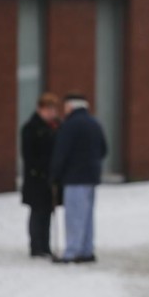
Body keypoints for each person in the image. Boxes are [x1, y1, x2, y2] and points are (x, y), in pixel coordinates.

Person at [50, 94, 107, 264]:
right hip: (91, 177)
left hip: (74, 178)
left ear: (71, 107)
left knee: (74, 216)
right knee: (87, 216)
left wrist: (55, 175)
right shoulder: (95, 123)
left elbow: (61, 152)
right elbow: (104, 149)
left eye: (65, 106)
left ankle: (72, 252)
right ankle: (86, 249)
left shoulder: (70, 126)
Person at [21, 93, 61, 258]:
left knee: (48, 212)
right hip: (36, 179)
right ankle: (36, 246)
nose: (52, 113)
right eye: (48, 109)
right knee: (37, 212)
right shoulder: (31, 128)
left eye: (54, 109)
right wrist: (43, 168)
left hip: (50, 179)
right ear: (40, 109)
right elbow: (28, 155)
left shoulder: (56, 127)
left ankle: (45, 245)